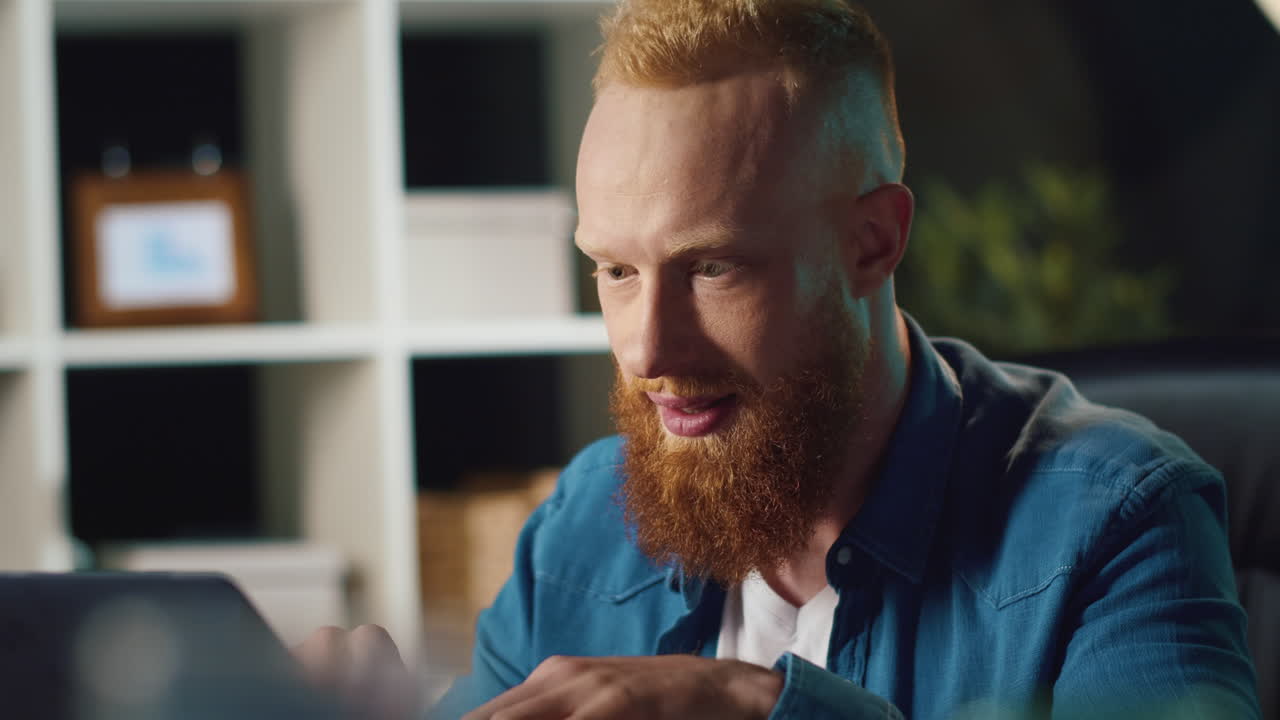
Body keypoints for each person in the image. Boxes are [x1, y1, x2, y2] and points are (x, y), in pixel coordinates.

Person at [296, 1, 1260, 718]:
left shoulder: (1120, 518)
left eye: (713, 268)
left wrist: (758, 706)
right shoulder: (583, 526)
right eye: (616, 270)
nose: (647, 349)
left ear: (874, 242)